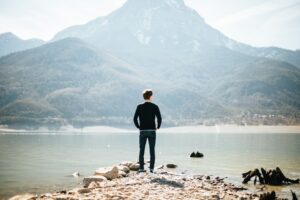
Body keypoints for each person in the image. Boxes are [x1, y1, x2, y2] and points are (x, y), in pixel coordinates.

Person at [133, 89, 162, 173]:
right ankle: (151, 169)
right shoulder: (155, 106)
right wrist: (158, 126)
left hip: (142, 131)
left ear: (144, 97)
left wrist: (139, 127)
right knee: (152, 150)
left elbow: (135, 119)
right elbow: (159, 118)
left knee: (141, 149)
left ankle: (141, 168)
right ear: (151, 96)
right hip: (152, 130)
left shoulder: (139, 106)